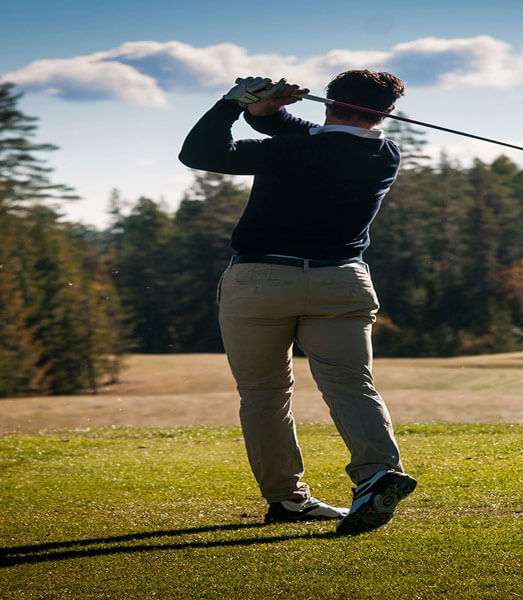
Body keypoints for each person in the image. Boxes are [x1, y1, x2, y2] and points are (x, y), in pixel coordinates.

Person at [179, 70, 416, 535]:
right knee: (352, 386)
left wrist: (233, 104)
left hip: (261, 281)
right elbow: (311, 134)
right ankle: (377, 474)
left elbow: (199, 154)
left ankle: (287, 498)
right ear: (386, 112)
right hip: (341, 281)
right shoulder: (384, 153)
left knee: (264, 394)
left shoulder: (294, 148)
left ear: (329, 100)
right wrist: (266, 112)